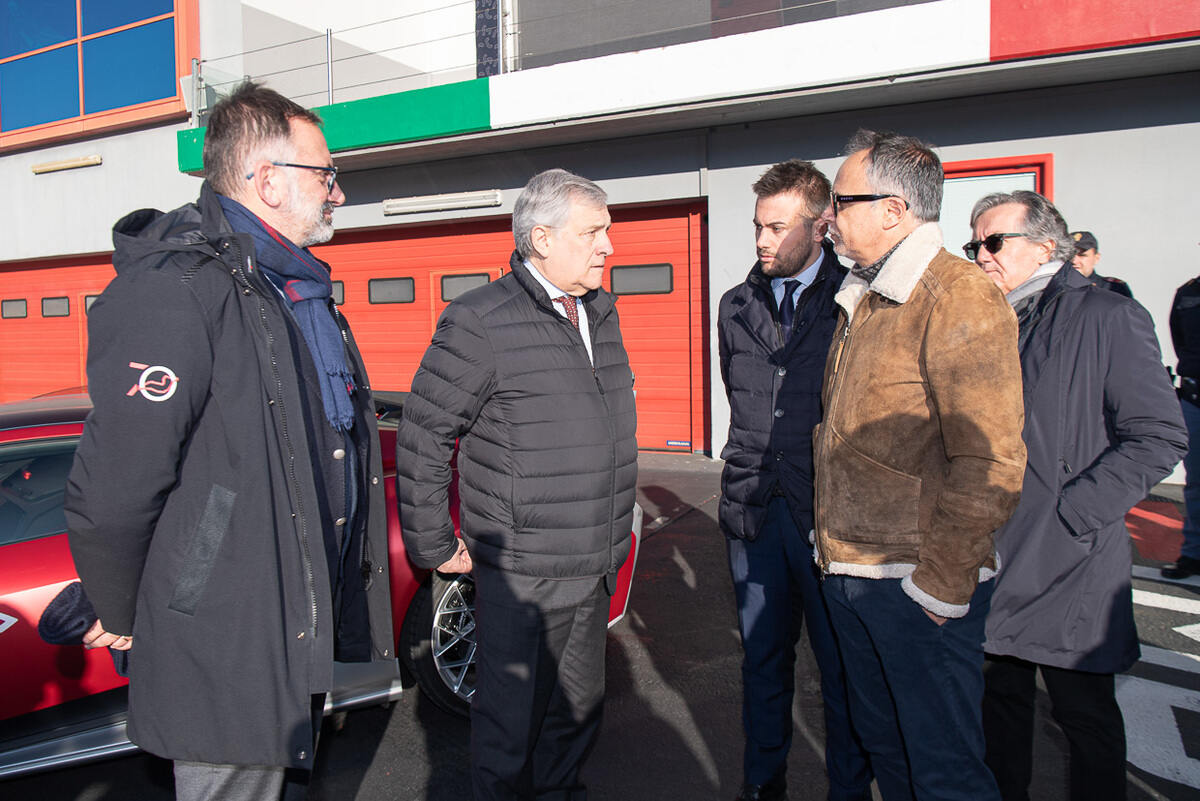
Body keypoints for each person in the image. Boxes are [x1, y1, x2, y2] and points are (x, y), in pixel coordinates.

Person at [63, 82, 394, 801]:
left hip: (287, 621)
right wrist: (119, 612)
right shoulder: (178, 289)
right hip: (223, 635)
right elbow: (117, 481)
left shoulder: (290, 291)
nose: (337, 192)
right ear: (268, 180)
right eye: (325, 174)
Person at [395, 168, 637, 801]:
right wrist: (436, 545)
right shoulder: (480, 321)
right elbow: (424, 434)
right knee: (508, 739)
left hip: (592, 565)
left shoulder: (601, 312)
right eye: (593, 232)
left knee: (577, 720)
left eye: (606, 232)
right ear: (541, 238)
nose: (608, 246)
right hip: (523, 575)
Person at [812, 129, 1027, 801]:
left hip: (915, 589)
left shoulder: (958, 295)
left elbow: (990, 457)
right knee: (892, 757)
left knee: (945, 774)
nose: (829, 217)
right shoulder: (865, 296)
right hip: (851, 573)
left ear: (893, 210)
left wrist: (941, 586)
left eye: (841, 201)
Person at [971, 191, 1186, 801]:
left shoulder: (1105, 315)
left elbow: (1158, 434)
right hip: (991, 554)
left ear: (1045, 245)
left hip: (1070, 561)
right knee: (999, 714)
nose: (980, 255)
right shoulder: (987, 321)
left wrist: (1074, 512)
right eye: (974, 243)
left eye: (993, 241)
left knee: (1084, 720)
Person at [717, 159, 870, 801]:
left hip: (828, 518)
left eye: (777, 228)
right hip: (754, 513)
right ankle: (762, 786)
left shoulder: (856, 299)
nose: (761, 241)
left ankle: (849, 790)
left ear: (820, 225)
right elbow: (741, 392)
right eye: (757, 226)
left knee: (843, 674)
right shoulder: (736, 304)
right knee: (763, 666)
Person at [1164, 271, 1200, 579]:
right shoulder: (1187, 293)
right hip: (1195, 396)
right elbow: (1180, 340)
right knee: (1196, 483)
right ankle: (1193, 555)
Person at [1069, 230, 1132, 297]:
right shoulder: (1057, 287)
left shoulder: (1114, 288)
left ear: (1096, 258)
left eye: (1082, 255)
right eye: (1069, 255)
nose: (1074, 261)